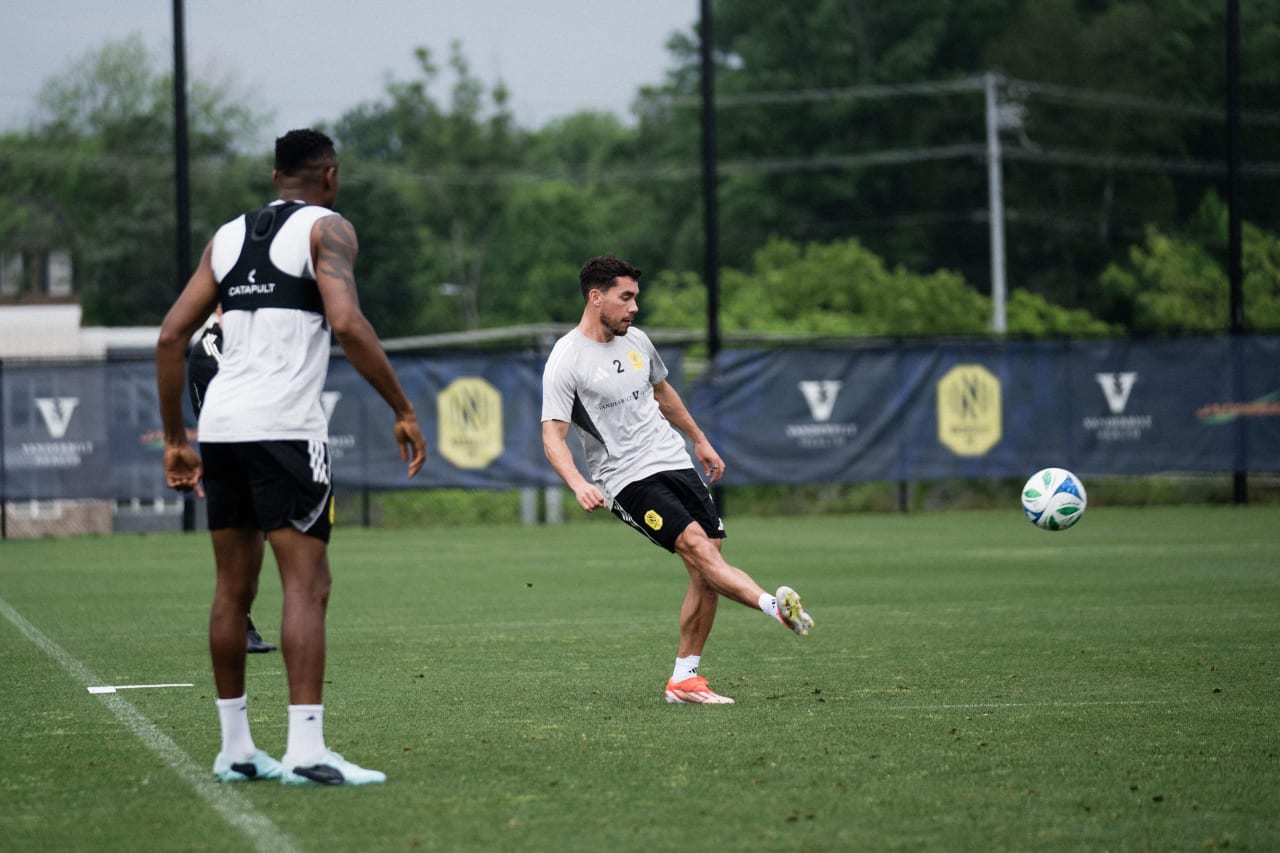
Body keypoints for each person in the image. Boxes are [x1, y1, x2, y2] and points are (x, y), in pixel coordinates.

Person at [156, 128, 426, 785]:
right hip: (285, 428)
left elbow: (170, 335)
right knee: (307, 583)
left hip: (220, 426)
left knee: (232, 588)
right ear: (328, 175)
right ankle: (306, 750)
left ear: (275, 176)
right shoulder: (327, 229)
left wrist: (176, 437)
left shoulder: (224, 237)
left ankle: (236, 750)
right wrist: (402, 407)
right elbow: (347, 322)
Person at [540, 253, 814, 705]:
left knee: (708, 566)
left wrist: (700, 440)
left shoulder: (639, 341)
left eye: (636, 298)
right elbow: (552, 435)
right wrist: (577, 482)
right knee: (696, 547)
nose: (634, 308)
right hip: (624, 477)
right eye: (625, 298)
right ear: (595, 297)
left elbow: (663, 393)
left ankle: (684, 680)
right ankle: (773, 607)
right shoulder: (566, 360)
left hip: (673, 460)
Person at [187, 313, 276, 654]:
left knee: (260, 537)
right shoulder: (211, 346)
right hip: (235, 449)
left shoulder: (252, 337)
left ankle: (241, 622)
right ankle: (237, 624)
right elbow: (246, 395)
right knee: (242, 538)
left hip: (261, 445)